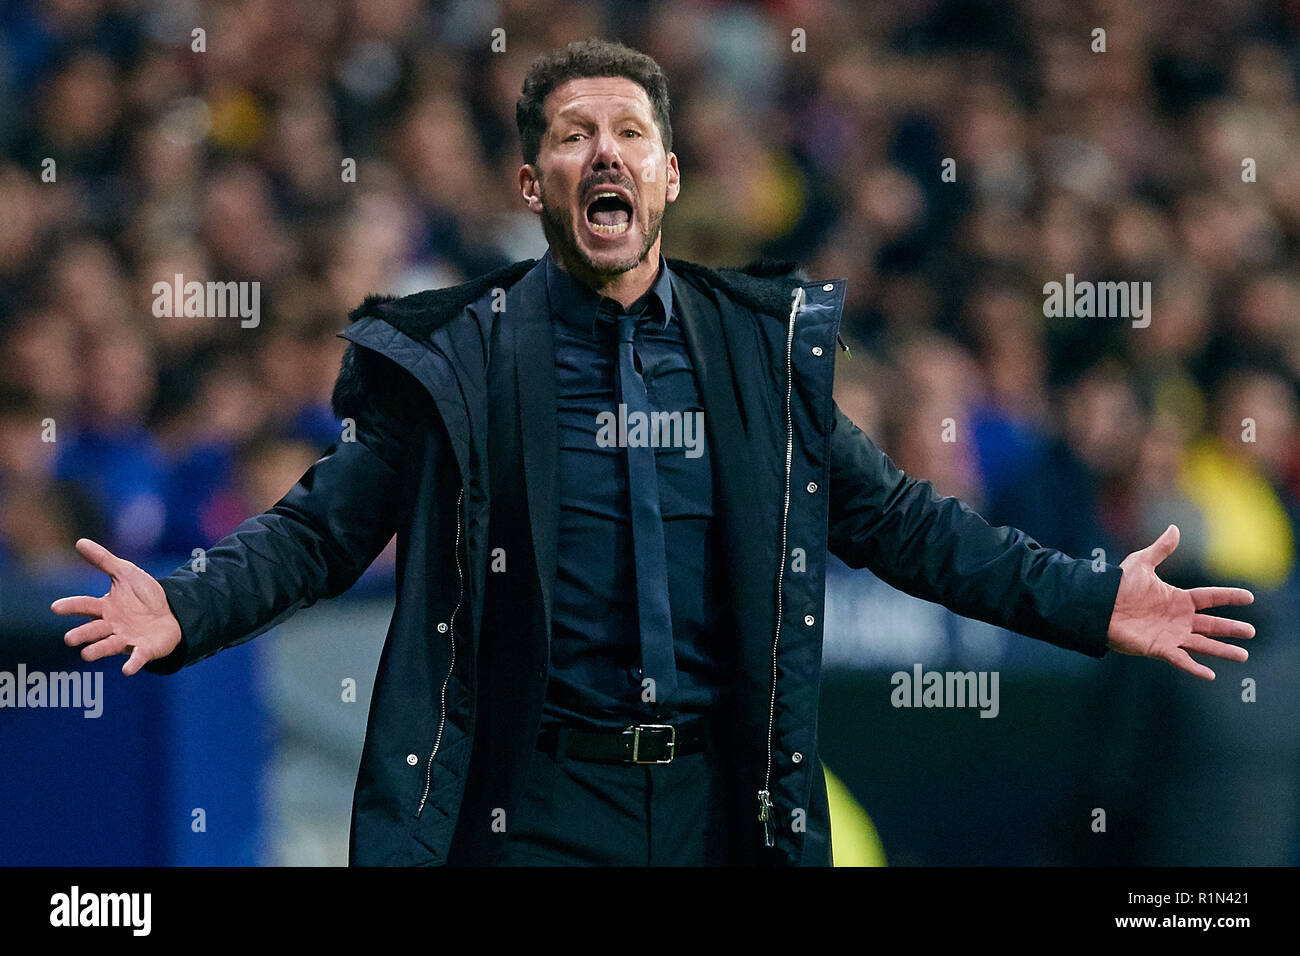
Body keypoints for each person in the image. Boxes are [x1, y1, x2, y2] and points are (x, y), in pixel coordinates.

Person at [51, 39, 1255, 867]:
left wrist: (1089, 599)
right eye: (575, 136)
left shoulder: (758, 355)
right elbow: (321, 527)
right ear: (535, 180)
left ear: (670, 175)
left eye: (631, 131)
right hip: (524, 805)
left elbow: (903, 522)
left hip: (715, 803)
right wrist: (188, 607)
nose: (607, 152)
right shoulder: (460, 360)